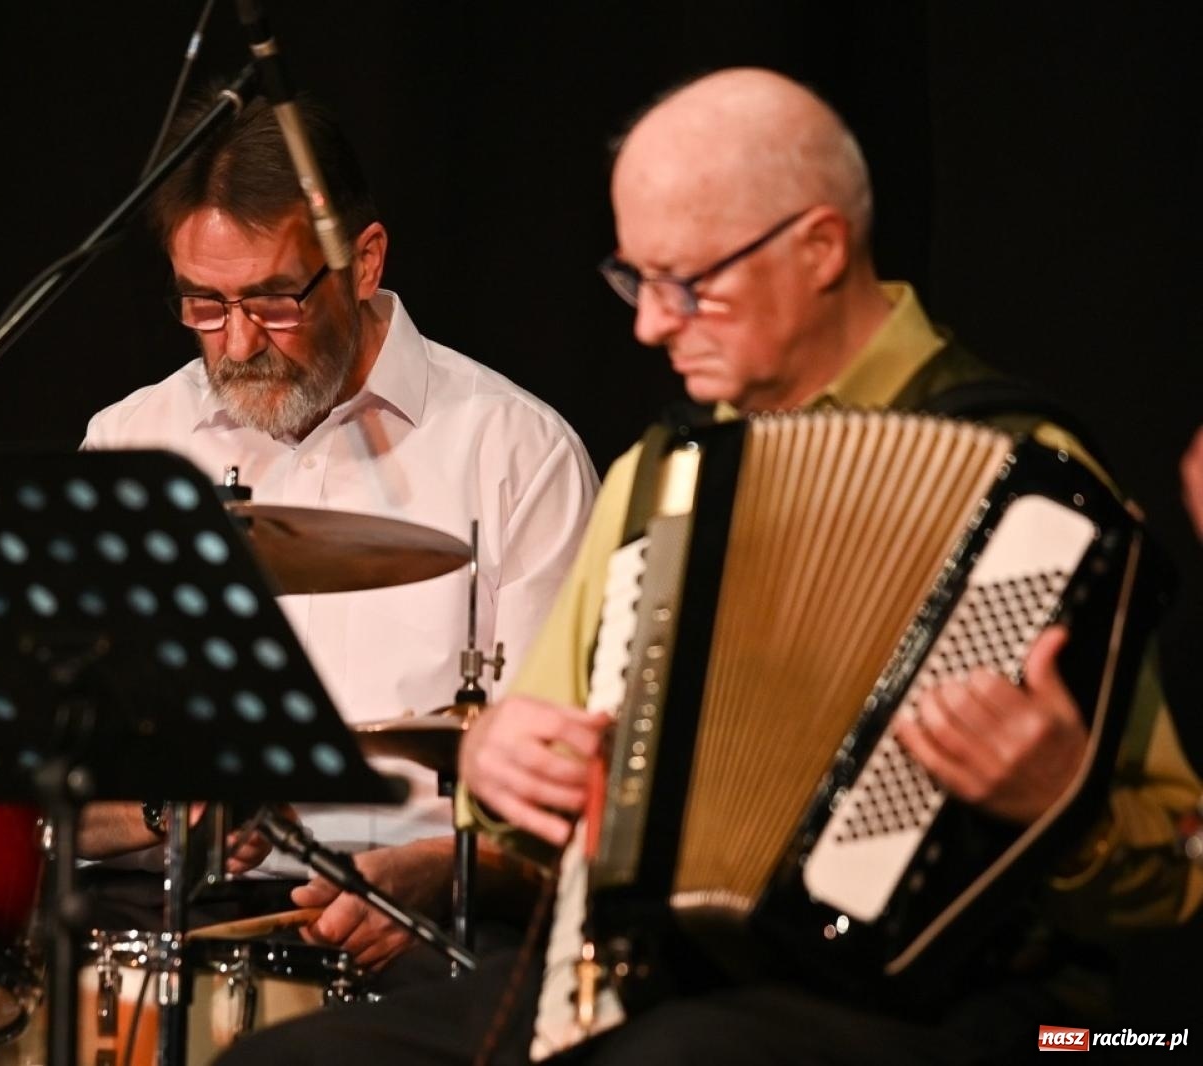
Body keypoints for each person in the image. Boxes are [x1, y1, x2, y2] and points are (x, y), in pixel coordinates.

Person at [218, 68, 1202, 1064]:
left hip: (956, 1009)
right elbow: (523, 785)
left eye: (686, 283)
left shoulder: (1027, 484)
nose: (648, 324)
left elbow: (1180, 852)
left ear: (819, 248)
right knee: (283, 1059)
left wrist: (1057, 803)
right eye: (634, 280)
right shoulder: (662, 479)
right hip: (649, 982)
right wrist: (501, 764)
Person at [78, 88, 599, 978]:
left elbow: (567, 805)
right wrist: (169, 815)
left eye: (274, 300)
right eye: (203, 305)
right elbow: (43, 798)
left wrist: (443, 872)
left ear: (363, 261)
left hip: (429, 935)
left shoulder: (515, 451)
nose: (237, 343)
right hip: (161, 924)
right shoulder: (129, 446)